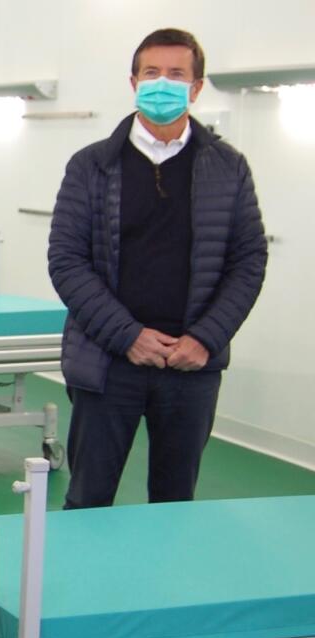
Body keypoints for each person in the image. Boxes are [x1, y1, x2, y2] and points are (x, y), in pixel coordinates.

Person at [48, 27, 267, 509]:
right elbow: (66, 261)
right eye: (152, 73)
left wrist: (206, 338)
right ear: (133, 82)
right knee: (88, 500)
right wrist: (128, 336)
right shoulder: (91, 166)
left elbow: (248, 260)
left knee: (174, 504)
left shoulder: (227, 167)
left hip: (191, 366)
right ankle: (81, 584)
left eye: (175, 74)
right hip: (108, 362)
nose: (162, 83)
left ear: (196, 87)